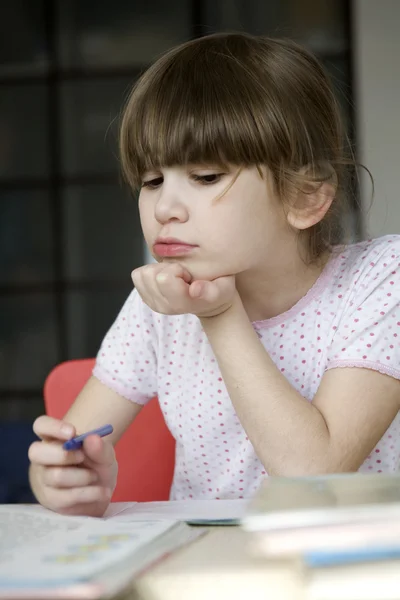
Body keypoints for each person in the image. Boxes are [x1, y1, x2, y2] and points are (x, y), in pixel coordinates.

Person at [28, 32, 400, 517]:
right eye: (152, 180)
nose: (165, 207)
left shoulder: (380, 277)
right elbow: (72, 444)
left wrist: (222, 315)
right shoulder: (160, 303)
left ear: (305, 197)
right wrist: (59, 478)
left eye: (205, 177)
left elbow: (313, 471)